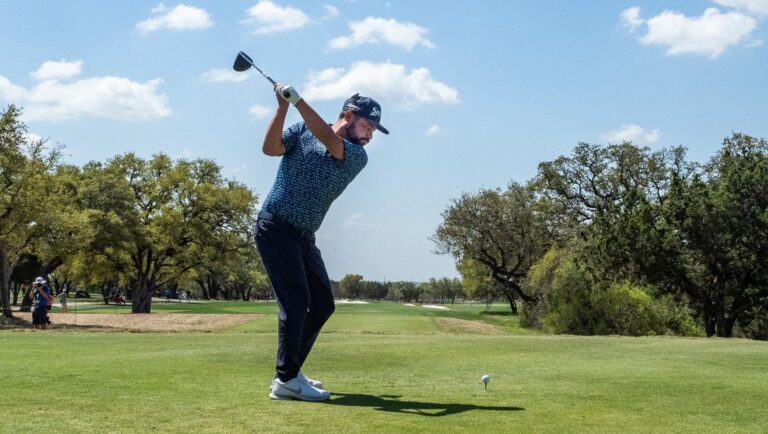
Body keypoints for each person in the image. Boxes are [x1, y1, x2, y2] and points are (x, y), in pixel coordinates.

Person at [256, 83, 388, 401]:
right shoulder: (303, 129)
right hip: (275, 226)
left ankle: (290, 371)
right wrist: (283, 107)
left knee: (323, 304)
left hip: (303, 235)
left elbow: (329, 140)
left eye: (372, 129)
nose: (370, 134)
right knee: (296, 302)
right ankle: (285, 380)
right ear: (348, 115)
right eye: (367, 125)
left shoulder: (357, 155)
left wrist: (298, 100)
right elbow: (270, 149)